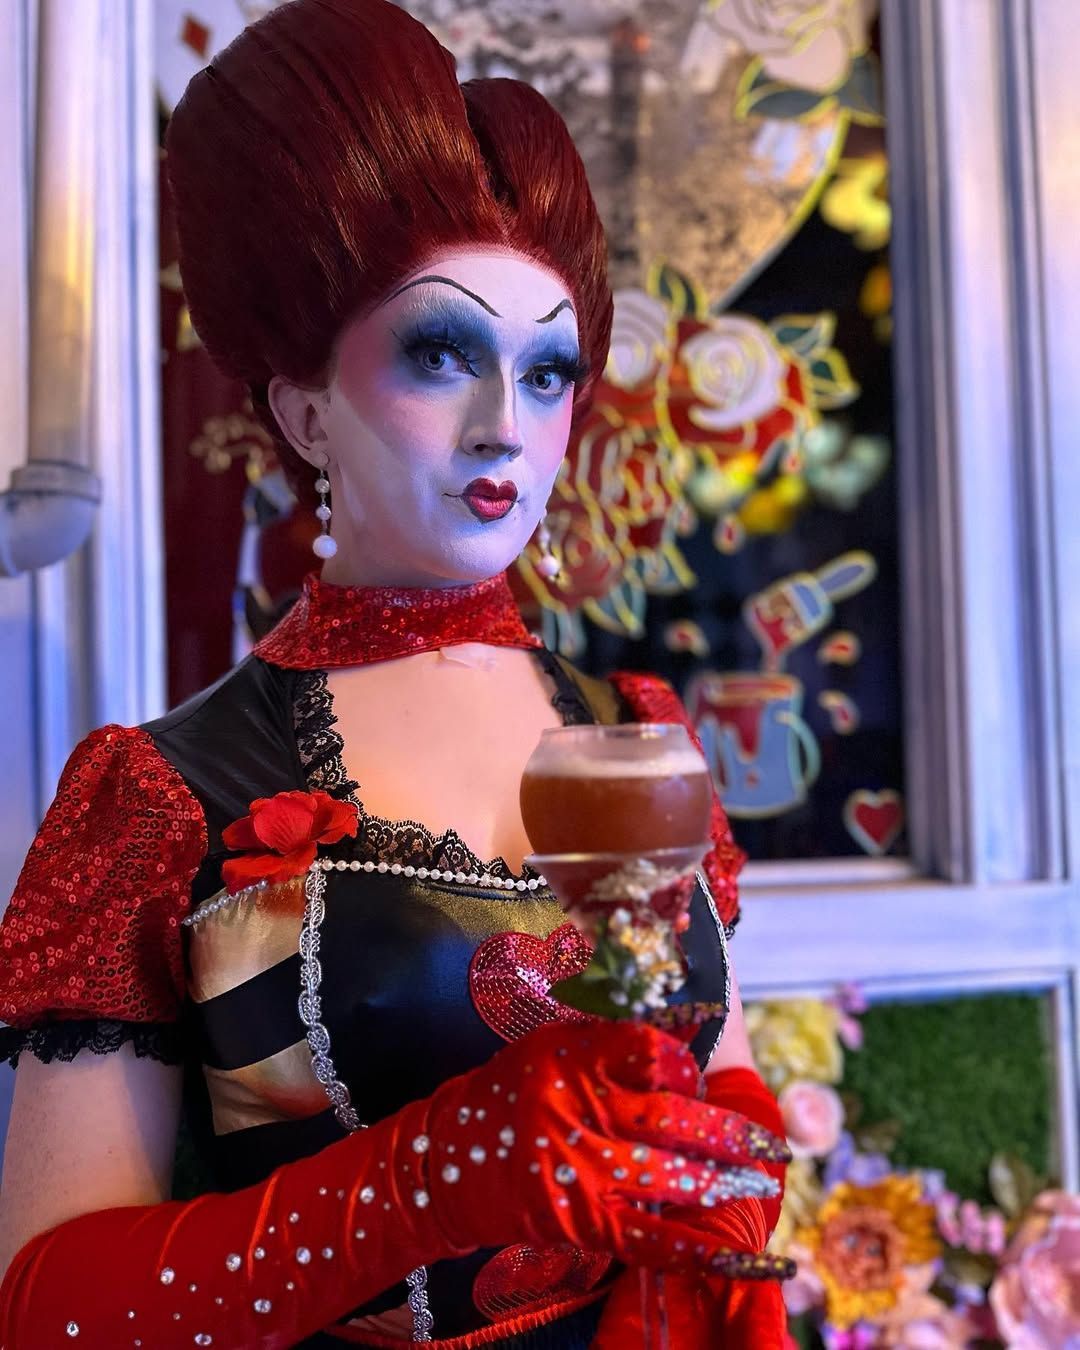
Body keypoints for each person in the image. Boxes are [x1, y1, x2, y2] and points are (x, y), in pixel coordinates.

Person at [0, 2, 791, 1345]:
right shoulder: (161, 792)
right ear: (304, 406)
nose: (508, 427)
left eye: (549, 372)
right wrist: (425, 1178)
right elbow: (47, 1307)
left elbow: (725, 1090)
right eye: (442, 352)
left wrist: (724, 1168)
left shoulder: (635, 740)